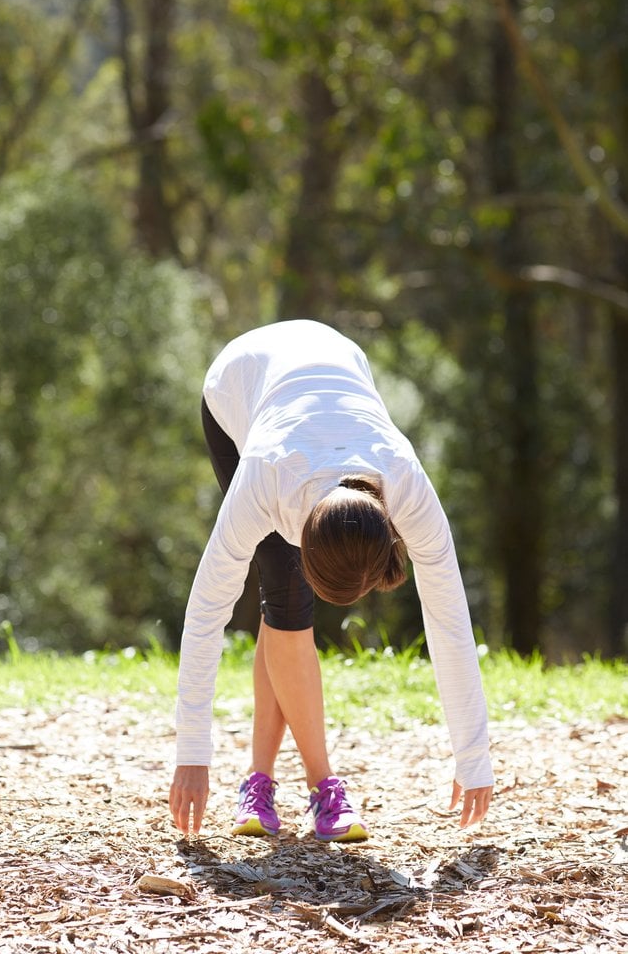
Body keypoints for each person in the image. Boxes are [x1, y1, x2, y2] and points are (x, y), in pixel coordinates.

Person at [169, 320, 494, 841]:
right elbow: (207, 609)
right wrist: (192, 756)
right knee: (286, 599)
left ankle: (260, 780)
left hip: (332, 366)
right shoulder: (265, 479)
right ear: (303, 535)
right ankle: (321, 785)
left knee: (285, 608)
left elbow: (449, 617)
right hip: (240, 384)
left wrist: (474, 758)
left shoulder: (405, 482)